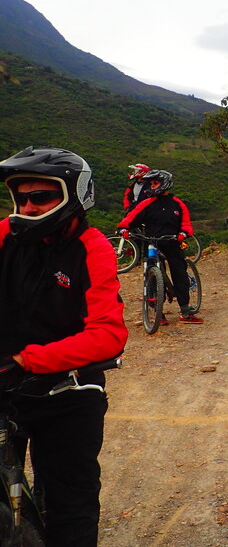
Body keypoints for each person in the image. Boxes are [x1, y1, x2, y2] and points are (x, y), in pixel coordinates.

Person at [0, 146, 128, 547]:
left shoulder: (92, 247)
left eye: (42, 197)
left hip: (68, 392)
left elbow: (109, 333)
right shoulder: (4, 235)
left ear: (75, 194)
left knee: (70, 506)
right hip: (4, 386)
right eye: (23, 197)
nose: (30, 206)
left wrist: (26, 359)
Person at [117, 169, 203, 324]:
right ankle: (157, 312)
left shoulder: (178, 204)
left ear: (165, 184)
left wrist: (184, 233)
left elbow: (186, 224)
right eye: (151, 183)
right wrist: (123, 228)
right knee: (151, 275)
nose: (151, 186)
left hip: (172, 242)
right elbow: (131, 218)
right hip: (151, 242)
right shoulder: (146, 203)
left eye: (155, 183)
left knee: (179, 273)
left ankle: (185, 310)